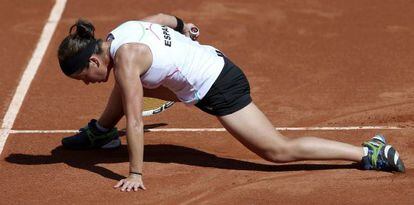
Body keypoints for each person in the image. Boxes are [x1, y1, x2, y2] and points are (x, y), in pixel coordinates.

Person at [57, 13, 405, 192]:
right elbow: (162, 18)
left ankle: (367, 152)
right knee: (125, 86)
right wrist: (185, 26)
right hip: (211, 60)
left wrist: (135, 172)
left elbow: (135, 121)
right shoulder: (121, 32)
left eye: (84, 77)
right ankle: (103, 132)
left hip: (219, 85)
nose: (88, 84)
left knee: (276, 151)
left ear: (93, 61)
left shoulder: (127, 61)